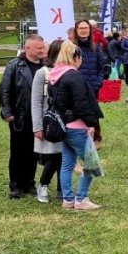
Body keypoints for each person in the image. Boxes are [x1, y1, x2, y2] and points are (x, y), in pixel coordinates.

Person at [47, 42, 102, 211]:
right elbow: (81, 103)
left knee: (67, 164)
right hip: (77, 126)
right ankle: (81, 198)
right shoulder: (74, 76)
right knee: (91, 164)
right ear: (76, 57)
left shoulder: (54, 76)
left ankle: (68, 199)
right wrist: (92, 123)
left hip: (63, 126)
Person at [0, 35, 46, 199]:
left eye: (42, 47)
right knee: (18, 151)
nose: (41, 50)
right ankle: (15, 184)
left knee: (34, 151)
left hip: (38, 117)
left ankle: (29, 182)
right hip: (20, 116)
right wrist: (7, 112)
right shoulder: (14, 66)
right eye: (38, 48)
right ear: (28, 48)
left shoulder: (45, 66)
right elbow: (4, 90)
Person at [29, 39, 65, 204]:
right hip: (49, 122)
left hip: (66, 121)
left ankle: (62, 188)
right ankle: (43, 185)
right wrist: (37, 126)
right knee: (54, 156)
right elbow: (35, 102)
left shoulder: (69, 72)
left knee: (65, 156)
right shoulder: (42, 73)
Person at [72, 19, 111, 99]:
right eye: (81, 28)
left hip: (93, 88)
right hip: (76, 89)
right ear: (76, 30)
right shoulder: (71, 47)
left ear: (90, 30)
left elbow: (102, 68)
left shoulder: (95, 48)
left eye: (86, 28)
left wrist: (98, 82)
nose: (84, 30)